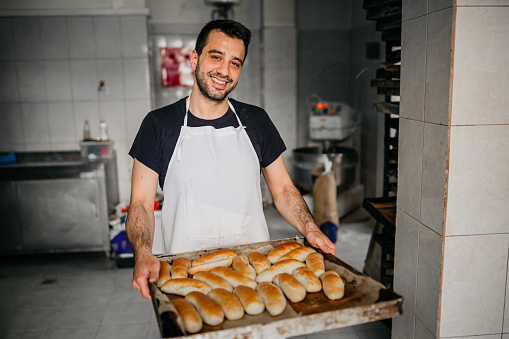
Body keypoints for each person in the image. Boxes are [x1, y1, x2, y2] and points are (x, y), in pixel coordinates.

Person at [126, 20, 337, 300]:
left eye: (235, 63)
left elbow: (283, 190)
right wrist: (143, 253)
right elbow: (140, 203)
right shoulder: (159, 124)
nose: (224, 71)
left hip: (254, 270)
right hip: (188, 274)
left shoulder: (256, 121)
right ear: (194, 58)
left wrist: (310, 229)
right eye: (216, 57)